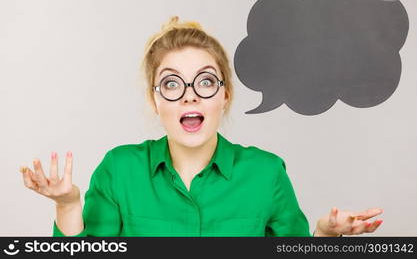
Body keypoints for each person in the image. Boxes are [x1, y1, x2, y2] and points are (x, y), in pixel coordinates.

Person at [20, 16, 383, 237]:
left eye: (206, 82)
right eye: (172, 83)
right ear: (154, 100)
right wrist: (68, 206)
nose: (190, 96)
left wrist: (323, 234)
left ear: (225, 96)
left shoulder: (266, 173)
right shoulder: (119, 170)